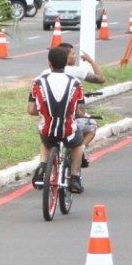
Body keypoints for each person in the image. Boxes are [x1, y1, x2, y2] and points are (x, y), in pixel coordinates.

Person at [29, 47, 86, 193]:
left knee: (45, 139)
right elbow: (79, 112)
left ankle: (42, 165)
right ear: (66, 63)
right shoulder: (76, 83)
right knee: (78, 143)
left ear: (49, 63)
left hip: (47, 130)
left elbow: (31, 110)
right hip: (68, 130)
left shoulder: (37, 82)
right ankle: (74, 177)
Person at [41, 43, 105, 168]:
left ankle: (42, 164)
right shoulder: (75, 73)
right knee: (92, 126)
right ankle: (80, 152)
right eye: (73, 54)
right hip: (71, 120)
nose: (75, 56)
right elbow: (101, 78)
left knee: (45, 140)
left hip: (48, 121)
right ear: (65, 57)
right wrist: (91, 61)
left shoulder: (43, 74)